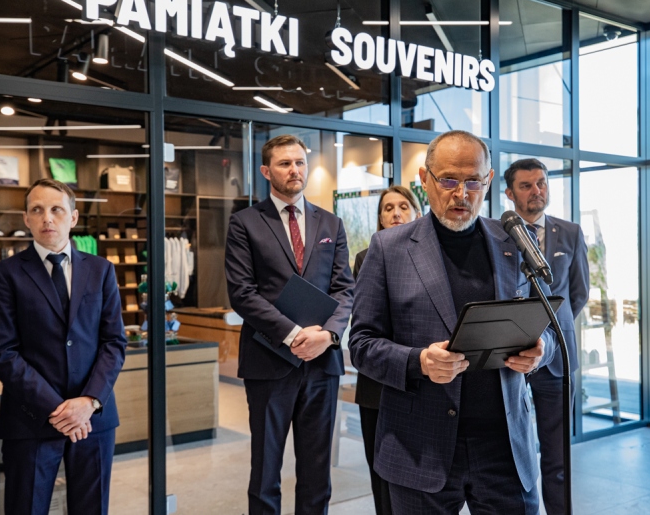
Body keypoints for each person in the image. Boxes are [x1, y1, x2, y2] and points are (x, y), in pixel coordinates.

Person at [349, 130, 555, 514]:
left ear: (488, 182)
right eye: (448, 180)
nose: (461, 194)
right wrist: (418, 362)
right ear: (425, 180)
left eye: (473, 181)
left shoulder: (514, 241)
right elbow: (361, 344)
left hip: (505, 447)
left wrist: (541, 351)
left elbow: (547, 323)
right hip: (420, 445)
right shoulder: (388, 249)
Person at [225, 134, 354, 515]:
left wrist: (328, 335)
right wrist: (296, 335)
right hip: (269, 363)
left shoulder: (331, 222)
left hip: (322, 365)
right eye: (284, 163)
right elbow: (242, 293)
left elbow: (346, 288)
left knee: (317, 472)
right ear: (266, 171)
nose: (294, 170)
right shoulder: (245, 223)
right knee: (265, 471)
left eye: (299, 162)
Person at [0, 179, 126, 515]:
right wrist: (60, 410)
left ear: (73, 218)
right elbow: (3, 352)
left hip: (93, 420)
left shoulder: (101, 270)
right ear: (26, 219)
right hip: (30, 419)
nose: (47, 217)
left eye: (56, 209)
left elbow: (114, 342)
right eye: (38, 210)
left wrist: (88, 403)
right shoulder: (5, 274)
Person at [504, 158, 589, 515]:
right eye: (526, 185)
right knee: (509, 452)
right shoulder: (496, 232)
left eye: (541, 183)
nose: (537, 191)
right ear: (509, 193)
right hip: (508, 358)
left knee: (558, 455)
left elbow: (578, 293)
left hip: (557, 359)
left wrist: (552, 333)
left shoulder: (570, 232)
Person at [353, 185, 422, 515]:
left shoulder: (435, 257)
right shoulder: (366, 259)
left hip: (425, 384)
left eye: (404, 206)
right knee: (382, 477)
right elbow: (367, 325)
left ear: (418, 212)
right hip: (378, 386)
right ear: (379, 219)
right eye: (388, 208)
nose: (396, 213)